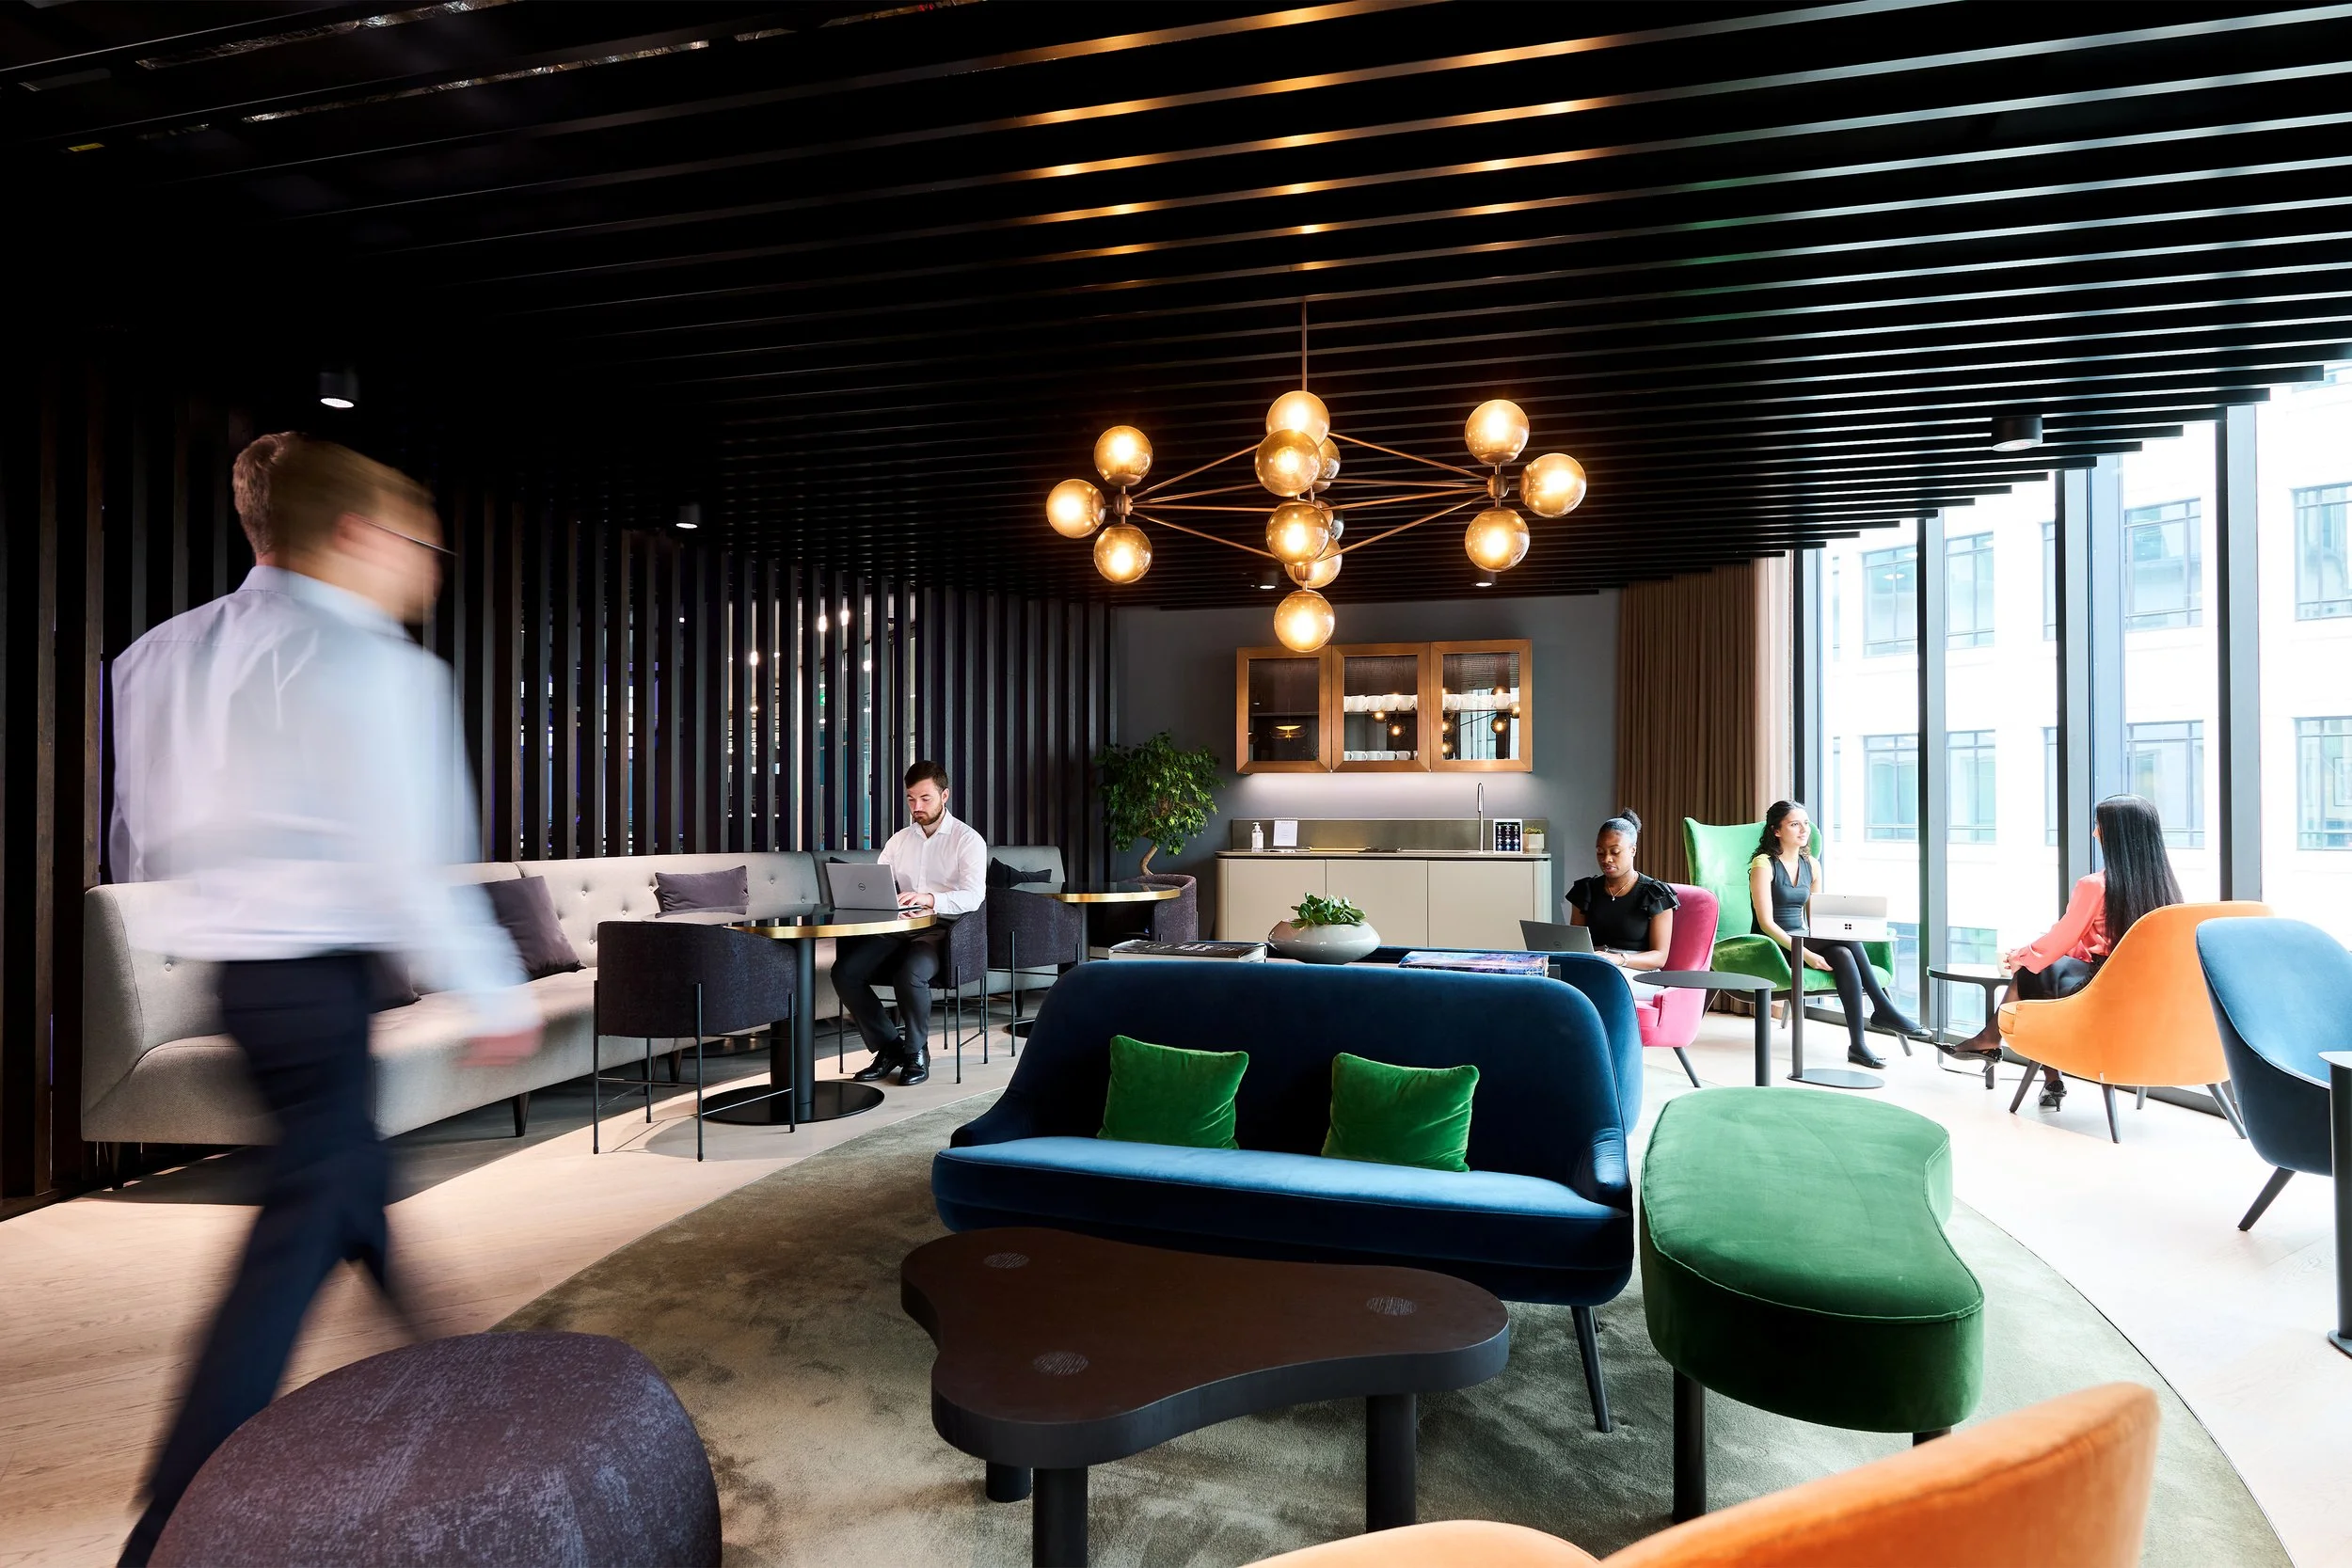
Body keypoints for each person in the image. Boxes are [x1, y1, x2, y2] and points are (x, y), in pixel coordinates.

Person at [110, 440, 538, 1566]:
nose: (428, 566)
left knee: (348, 1185)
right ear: (353, 535)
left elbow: (140, 841)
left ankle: (463, 1383)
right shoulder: (382, 669)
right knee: (303, 1224)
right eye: (417, 541)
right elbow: (408, 862)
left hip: (240, 984)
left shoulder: (154, 659)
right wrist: (492, 986)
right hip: (321, 977)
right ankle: (174, 1511)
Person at [1947, 794, 2182, 1108]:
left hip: (2099, 995)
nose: (2096, 833)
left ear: (2116, 834)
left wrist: (2021, 956)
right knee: (2041, 969)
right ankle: (2010, 1054)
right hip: (2146, 1000)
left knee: (2032, 973)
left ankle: (2008, 1052)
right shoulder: (2167, 889)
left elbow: (2061, 939)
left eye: (2099, 826)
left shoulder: (2095, 885)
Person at [837, 760, 986, 1087]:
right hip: (898, 928)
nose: (916, 807)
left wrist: (928, 898)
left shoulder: (967, 840)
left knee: (910, 973)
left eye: (925, 798)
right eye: (910, 799)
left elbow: (973, 897)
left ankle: (917, 1051)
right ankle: (890, 1047)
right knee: (845, 973)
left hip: (944, 930)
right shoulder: (899, 841)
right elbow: (880, 885)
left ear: (944, 795)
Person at [1748, 799, 1928, 1069]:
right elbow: (1765, 923)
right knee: (1845, 939)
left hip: (1801, 936)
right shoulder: (1764, 864)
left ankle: (1858, 1045)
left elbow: (1818, 921)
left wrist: (1811, 943)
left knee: (1843, 952)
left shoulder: (1812, 865)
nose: (1803, 830)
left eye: (1806, 824)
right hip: (1773, 945)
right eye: (1794, 824)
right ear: (1776, 830)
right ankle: (1882, 1007)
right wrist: (1806, 954)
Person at [1565, 808, 1677, 971]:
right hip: (1595, 968)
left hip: (1637, 971)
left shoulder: (1656, 894)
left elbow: (1660, 957)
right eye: (1600, 852)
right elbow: (1577, 945)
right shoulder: (1585, 891)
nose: (1606, 859)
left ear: (1633, 850)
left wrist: (1620, 959)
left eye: (1615, 852)